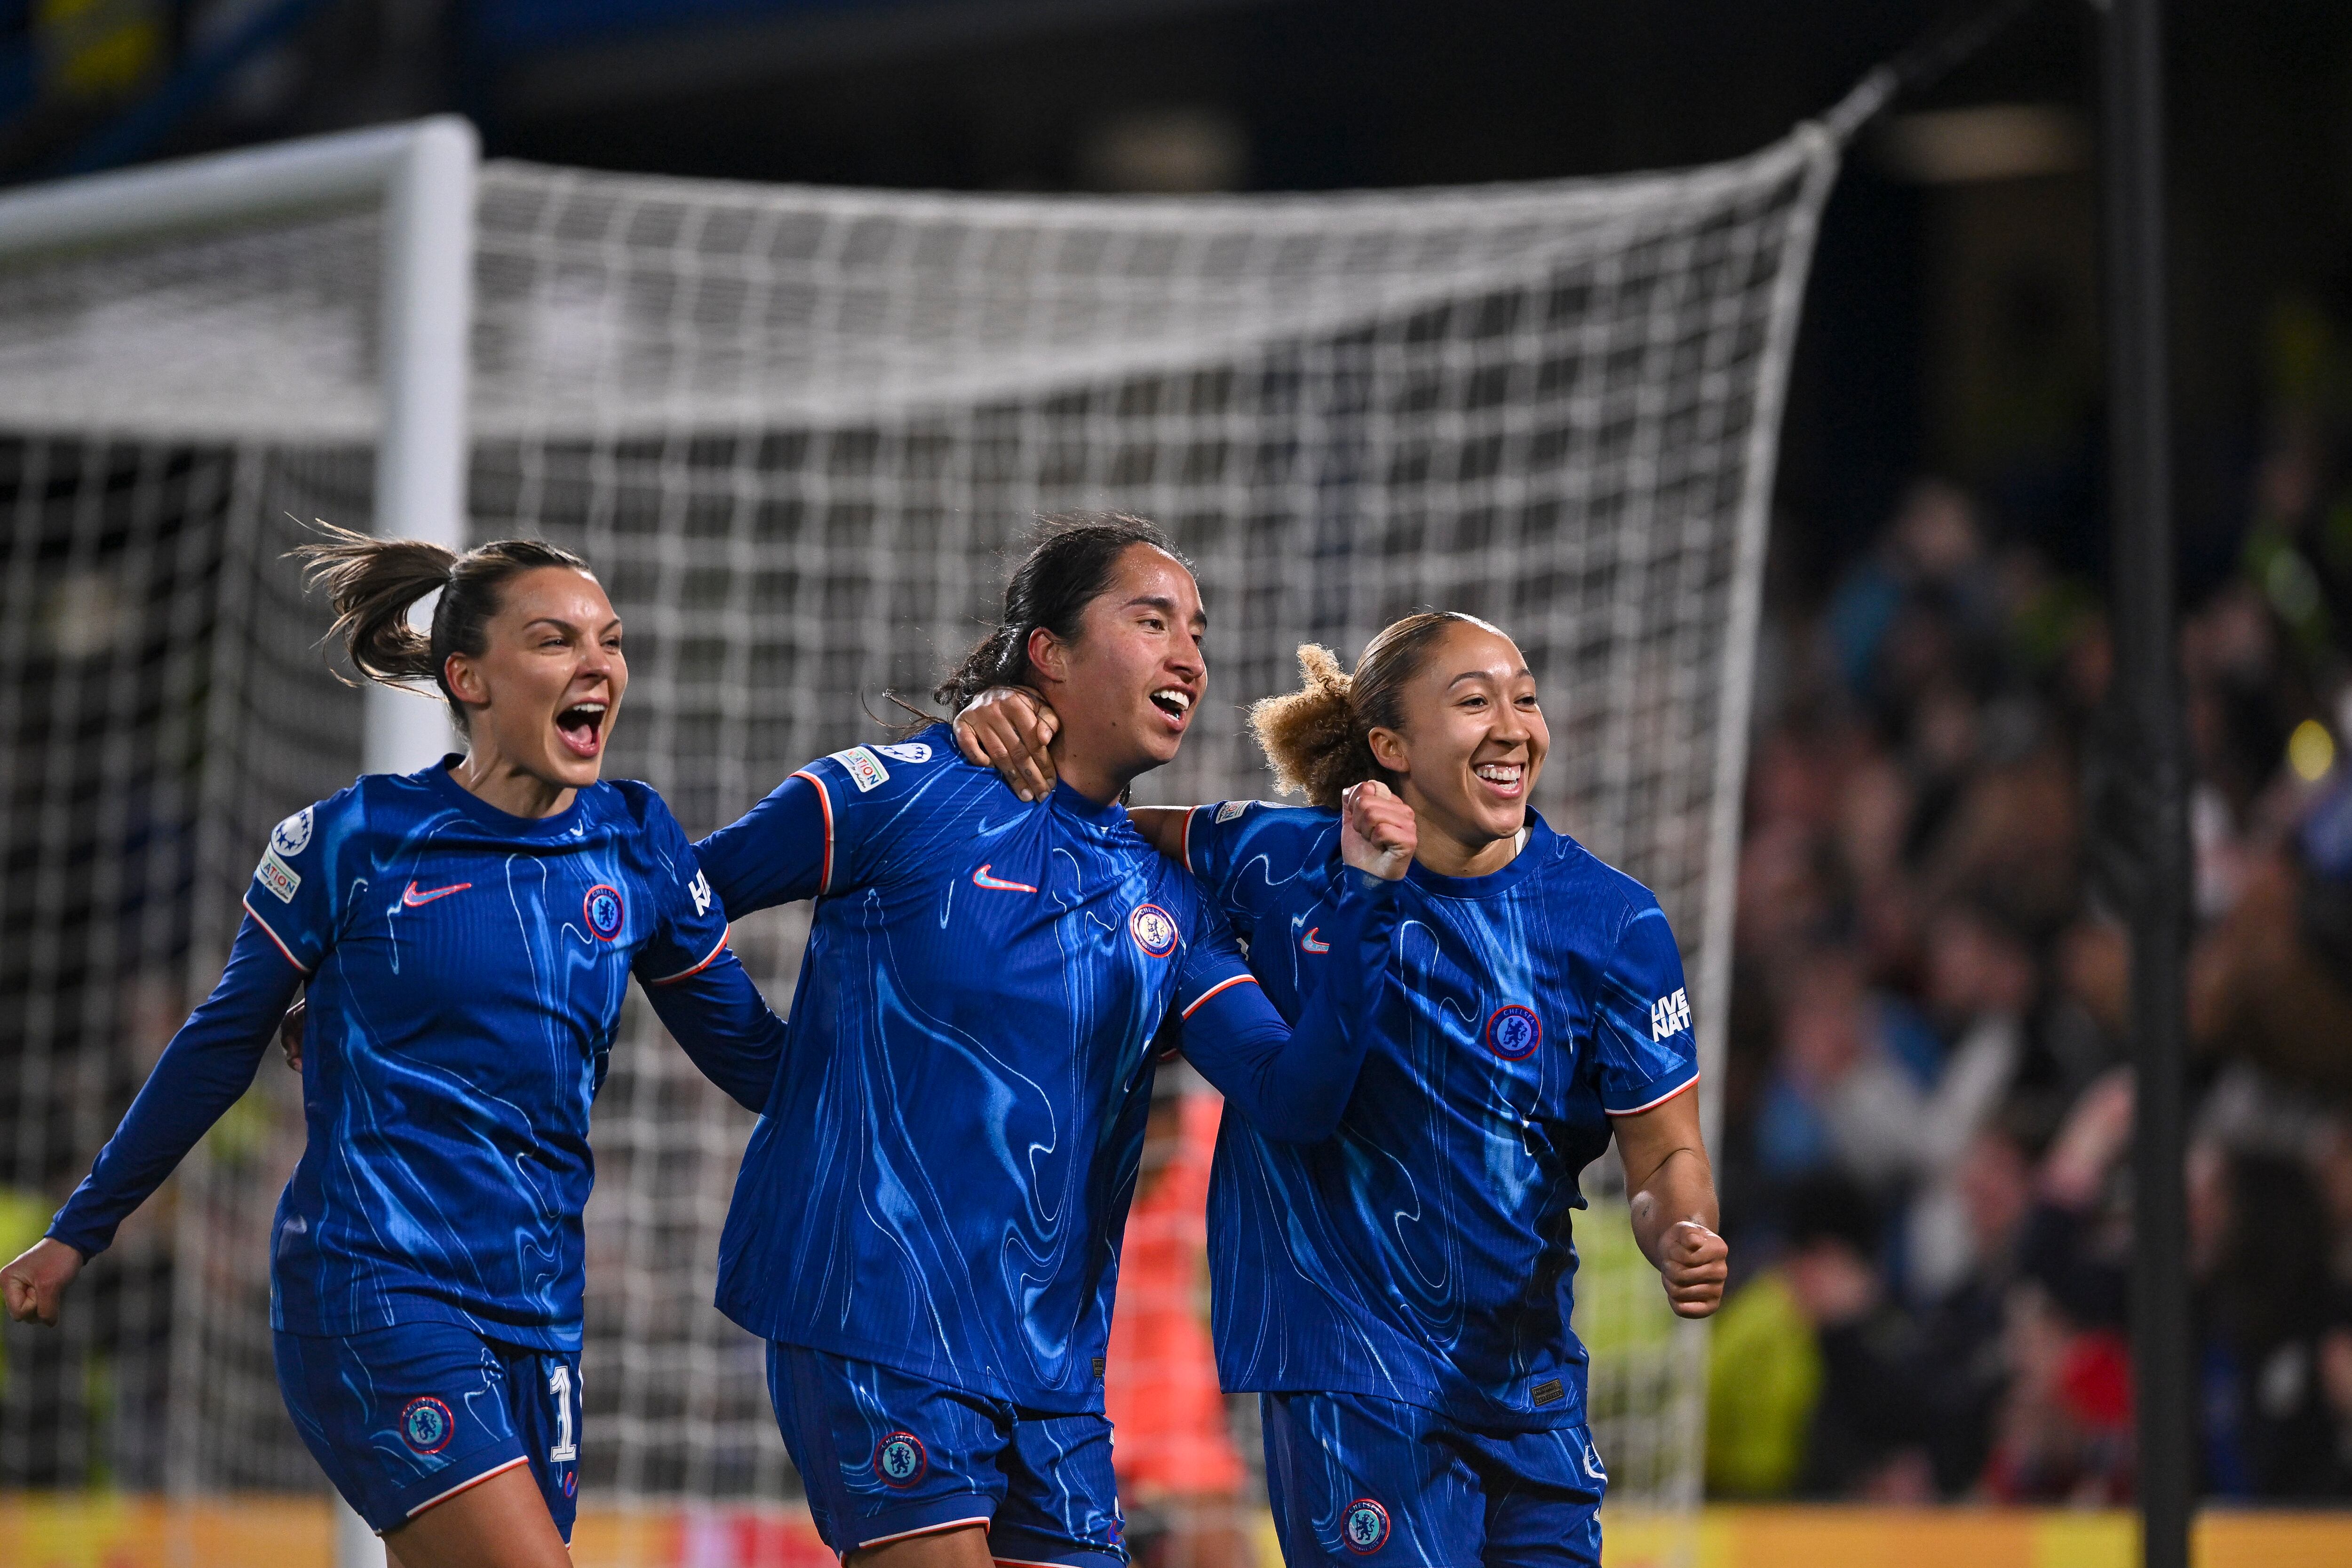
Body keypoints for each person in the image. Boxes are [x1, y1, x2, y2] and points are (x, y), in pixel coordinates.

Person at [1, 528, 788, 1568]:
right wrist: (79, 1229)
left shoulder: (636, 840)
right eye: (556, 639)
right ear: (468, 675)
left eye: (611, 639)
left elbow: (757, 1061)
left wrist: (930, 1032)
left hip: (540, 1304)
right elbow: (219, 1040)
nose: (598, 662)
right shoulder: (356, 838)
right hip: (374, 1281)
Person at [691, 515, 1416, 1568]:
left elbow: (1291, 1095)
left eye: (1197, 632)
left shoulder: (1169, 901)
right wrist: (763, 1061)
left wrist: (1364, 903)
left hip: (1055, 1378)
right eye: (1151, 619)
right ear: (1051, 651)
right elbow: (676, 899)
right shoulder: (899, 794)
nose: (1189, 655)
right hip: (877, 1321)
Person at [957, 612, 1728, 1567]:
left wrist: (1679, 1228)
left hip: (1525, 1382)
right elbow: (1090, 821)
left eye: (1523, 696)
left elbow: (1665, 1152)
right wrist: (1001, 718)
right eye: (1474, 699)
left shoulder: (1614, 922)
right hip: (1347, 1366)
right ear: (1389, 746)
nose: (1512, 723)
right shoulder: (1280, 858)